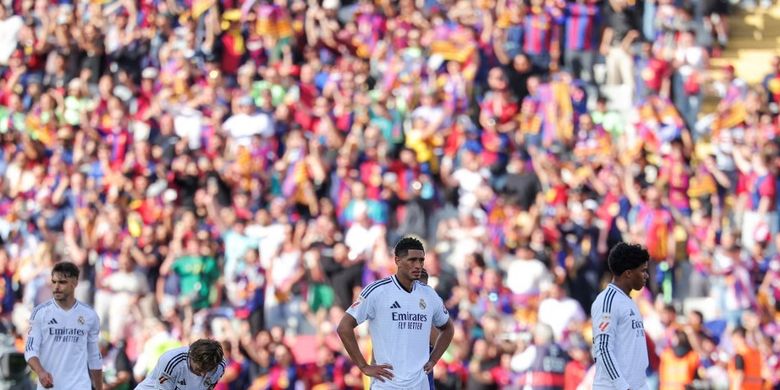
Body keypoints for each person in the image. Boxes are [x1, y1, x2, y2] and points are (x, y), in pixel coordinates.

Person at [337, 236, 455, 389]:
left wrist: (434, 359)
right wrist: (363, 366)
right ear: (397, 260)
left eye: (421, 260)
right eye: (412, 260)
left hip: (420, 384)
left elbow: (448, 328)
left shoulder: (429, 294)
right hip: (387, 385)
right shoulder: (378, 291)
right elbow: (344, 327)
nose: (418, 265)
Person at [24, 261, 103, 390]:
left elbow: (94, 357)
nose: (56, 287)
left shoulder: (89, 315)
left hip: (79, 386)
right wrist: (40, 372)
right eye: (54, 282)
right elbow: (30, 350)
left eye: (62, 282)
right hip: (51, 387)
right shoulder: (40, 313)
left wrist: (99, 388)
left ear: (74, 283)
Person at [590, 242, 650, 390]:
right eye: (643, 271)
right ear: (628, 273)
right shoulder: (608, 301)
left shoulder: (628, 301)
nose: (646, 276)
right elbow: (603, 349)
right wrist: (623, 386)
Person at [135, 339, 226, 390]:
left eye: (208, 370)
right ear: (191, 355)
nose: (203, 374)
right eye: (198, 370)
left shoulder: (219, 367)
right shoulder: (171, 361)